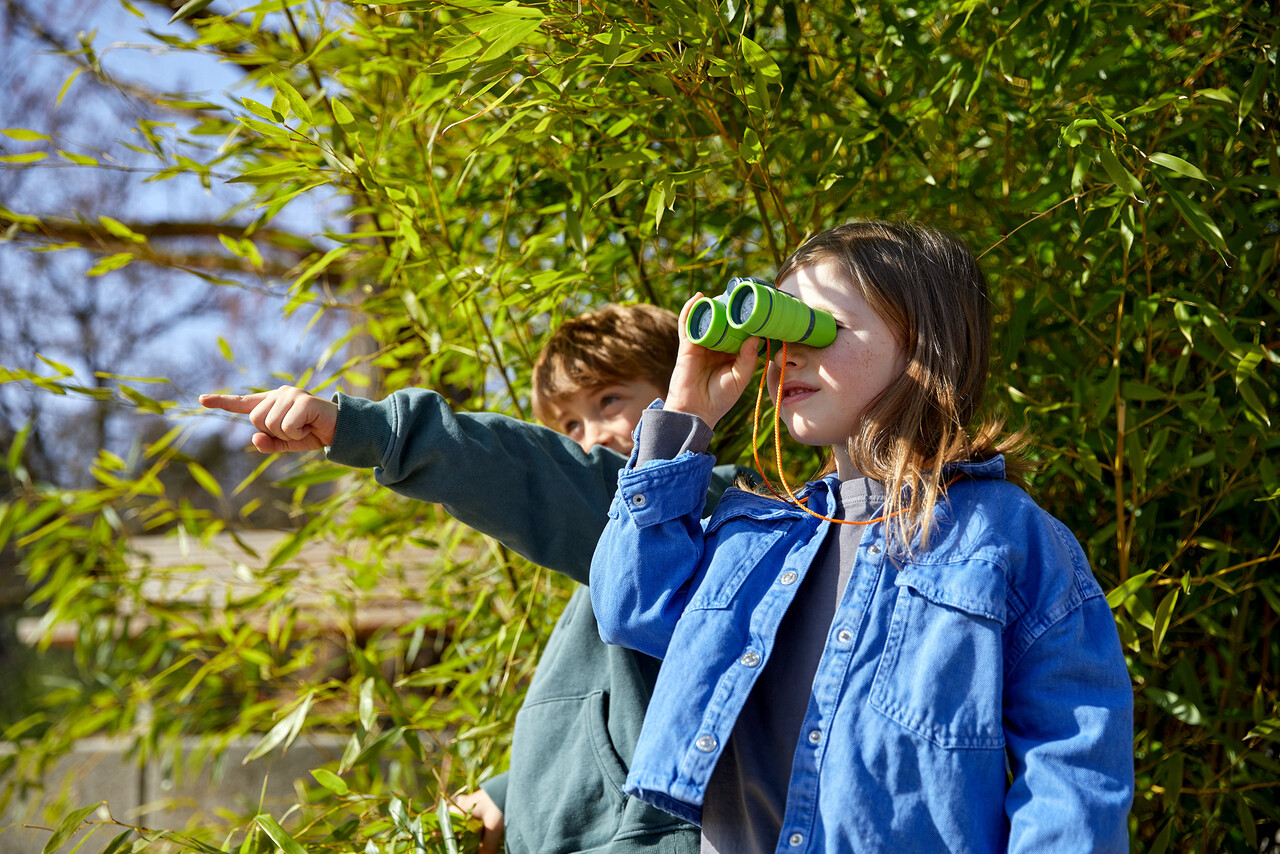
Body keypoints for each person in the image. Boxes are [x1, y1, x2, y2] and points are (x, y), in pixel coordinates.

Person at [589, 221, 1135, 852]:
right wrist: (685, 413)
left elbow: (1072, 775)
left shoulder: (1005, 538)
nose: (786, 354)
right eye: (779, 330)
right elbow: (632, 608)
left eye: (819, 327)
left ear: (924, 344)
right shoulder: (758, 537)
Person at [201, 303, 752, 854]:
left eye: (610, 401)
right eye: (568, 425)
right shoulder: (604, 562)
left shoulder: (703, 518)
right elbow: (624, 727)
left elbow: (533, 476)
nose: (593, 436)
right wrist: (510, 795)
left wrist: (372, 432)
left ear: (689, 390)